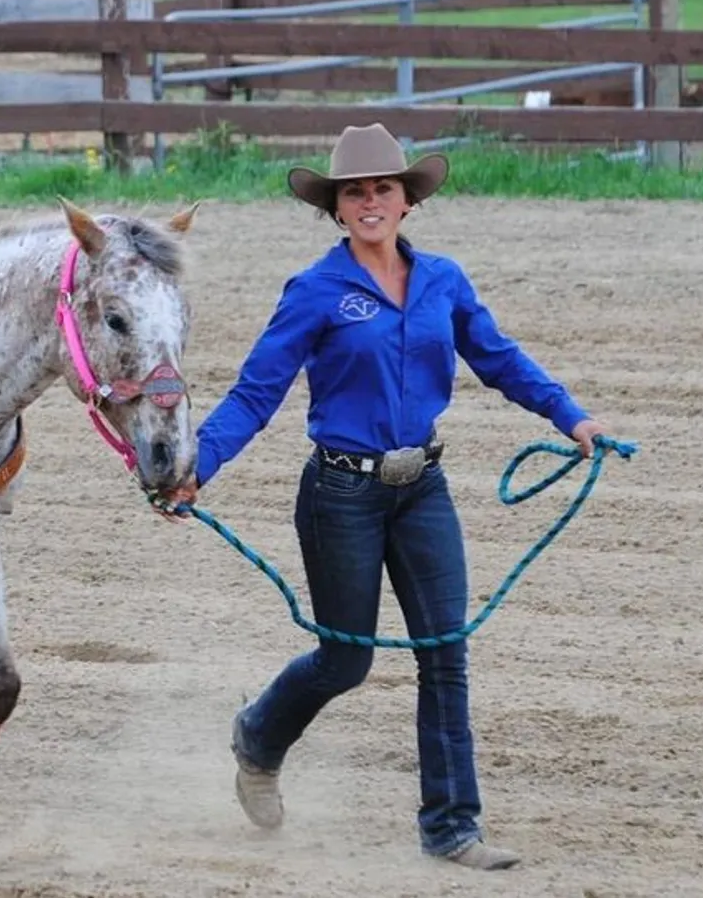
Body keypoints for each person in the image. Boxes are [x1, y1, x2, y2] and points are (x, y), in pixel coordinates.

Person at [156, 123, 611, 871]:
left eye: (384, 189)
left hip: (422, 487)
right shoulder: (315, 291)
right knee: (345, 660)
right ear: (337, 208)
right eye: (355, 192)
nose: (371, 202)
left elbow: (498, 358)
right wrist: (195, 465)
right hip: (341, 492)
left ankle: (452, 828)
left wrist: (570, 414)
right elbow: (256, 391)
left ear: (407, 201)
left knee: (446, 652)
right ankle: (259, 738)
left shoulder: (443, 281)